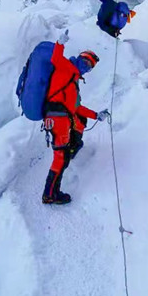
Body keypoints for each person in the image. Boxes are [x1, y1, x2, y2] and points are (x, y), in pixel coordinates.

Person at [42, 42, 109, 204]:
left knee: (62, 157)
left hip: (61, 119)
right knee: (60, 157)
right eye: (86, 62)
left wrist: (96, 115)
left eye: (90, 67)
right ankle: (50, 194)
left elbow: (76, 108)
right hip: (57, 118)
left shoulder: (73, 81)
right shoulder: (66, 68)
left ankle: (52, 192)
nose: (87, 67)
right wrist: (60, 43)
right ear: (79, 58)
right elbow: (56, 58)